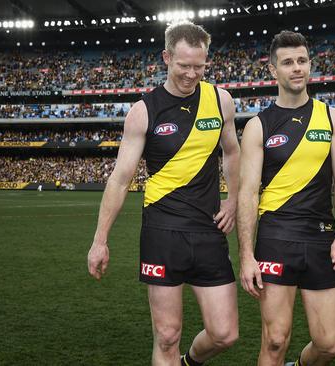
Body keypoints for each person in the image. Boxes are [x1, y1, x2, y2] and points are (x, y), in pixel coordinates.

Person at [87, 21, 240, 366]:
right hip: (162, 232)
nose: (191, 74)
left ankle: (189, 362)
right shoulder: (144, 111)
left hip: (208, 230)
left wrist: (231, 197)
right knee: (167, 335)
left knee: (224, 333)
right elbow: (119, 179)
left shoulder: (221, 101)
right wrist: (100, 240)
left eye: (199, 66)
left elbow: (231, 151)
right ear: (166, 58)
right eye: (183, 65)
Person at [237, 31, 335, 366]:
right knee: (275, 341)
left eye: (302, 60)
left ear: (310, 65)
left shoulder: (332, 118)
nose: (296, 68)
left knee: (330, 344)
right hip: (275, 237)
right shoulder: (259, 127)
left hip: (322, 238)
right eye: (287, 62)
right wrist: (246, 254)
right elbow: (247, 193)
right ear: (273, 70)